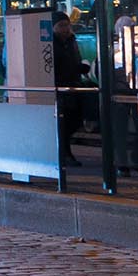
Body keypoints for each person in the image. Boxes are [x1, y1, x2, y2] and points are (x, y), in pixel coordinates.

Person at [52, 9, 87, 166]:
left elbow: (73, 62)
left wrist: (80, 68)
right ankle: (65, 154)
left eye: (67, 25)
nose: (65, 28)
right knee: (65, 122)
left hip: (73, 86)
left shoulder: (72, 41)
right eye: (61, 25)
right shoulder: (51, 44)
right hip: (61, 88)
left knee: (73, 120)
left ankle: (65, 152)